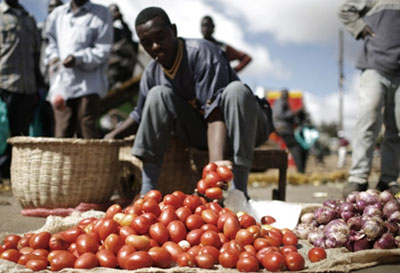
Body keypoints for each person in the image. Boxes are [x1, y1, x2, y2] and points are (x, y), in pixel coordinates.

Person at [105, 7, 274, 200]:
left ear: (174, 31)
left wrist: (214, 174)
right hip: (202, 134)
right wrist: (111, 136)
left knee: (236, 91)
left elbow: (215, 112)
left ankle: (240, 193)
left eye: (160, 37)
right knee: (157, 94)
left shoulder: (203, 54)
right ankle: (147, 192)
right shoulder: (152, 73)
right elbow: (140, 115)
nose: (155, 46)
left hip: (247, 128)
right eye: (146, 43)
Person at [338, 0, 400, 196]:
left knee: (397, 128)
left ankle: (389, 180)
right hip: (375, 65)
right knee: (368, 119)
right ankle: (358, 178)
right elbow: (345, 10)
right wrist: (362, 29)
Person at [45, 0, 113, 139]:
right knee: (63, 132)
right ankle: (62, 162)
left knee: (86, 128)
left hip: (89, 85)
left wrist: (77, 59)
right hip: (63, 85)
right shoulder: (58, 14)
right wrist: (54, 58)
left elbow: (103, 50)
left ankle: (91, 161)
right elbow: (50, 43)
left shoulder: (102, 13)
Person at [0, 0, 41, 182]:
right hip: (3, 83)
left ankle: (14, 175)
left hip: (27, 86)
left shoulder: (29, 19)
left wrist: (40, 83)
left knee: (20, 135)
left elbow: (36, 53)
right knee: (1, 130)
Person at [273, 89, 307, 173]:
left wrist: (296, 116)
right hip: (283, 128)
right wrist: (294, 113)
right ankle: (300, 171)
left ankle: (301, 170)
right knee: (296, 147)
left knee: (298, 147)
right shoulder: (280, 102)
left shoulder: (282, 102)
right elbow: (279, 114)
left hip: (285, 128)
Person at [107, 3, 138, 88]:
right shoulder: (105, 29)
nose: (115, 13)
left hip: (124, 54)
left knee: (133, 46)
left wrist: (122, 21)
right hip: (113, 56)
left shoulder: (118, 30)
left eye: (117, 11)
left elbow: (129, 37)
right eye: (113, 12)